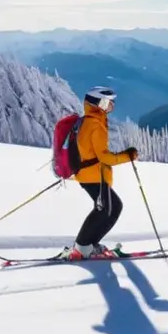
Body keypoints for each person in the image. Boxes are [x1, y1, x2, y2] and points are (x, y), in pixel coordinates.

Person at [64, 86, 138, 260]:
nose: (109, 107)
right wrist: (128, 156)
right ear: (96, 103)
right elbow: (106, 158)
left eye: (110, 103)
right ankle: (83, 247)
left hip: (89, 174)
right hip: (94, 176)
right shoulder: (95, 124)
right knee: (110, 209)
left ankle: (88, 245)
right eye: (106, 103)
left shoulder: (87, 120)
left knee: (106, 209)